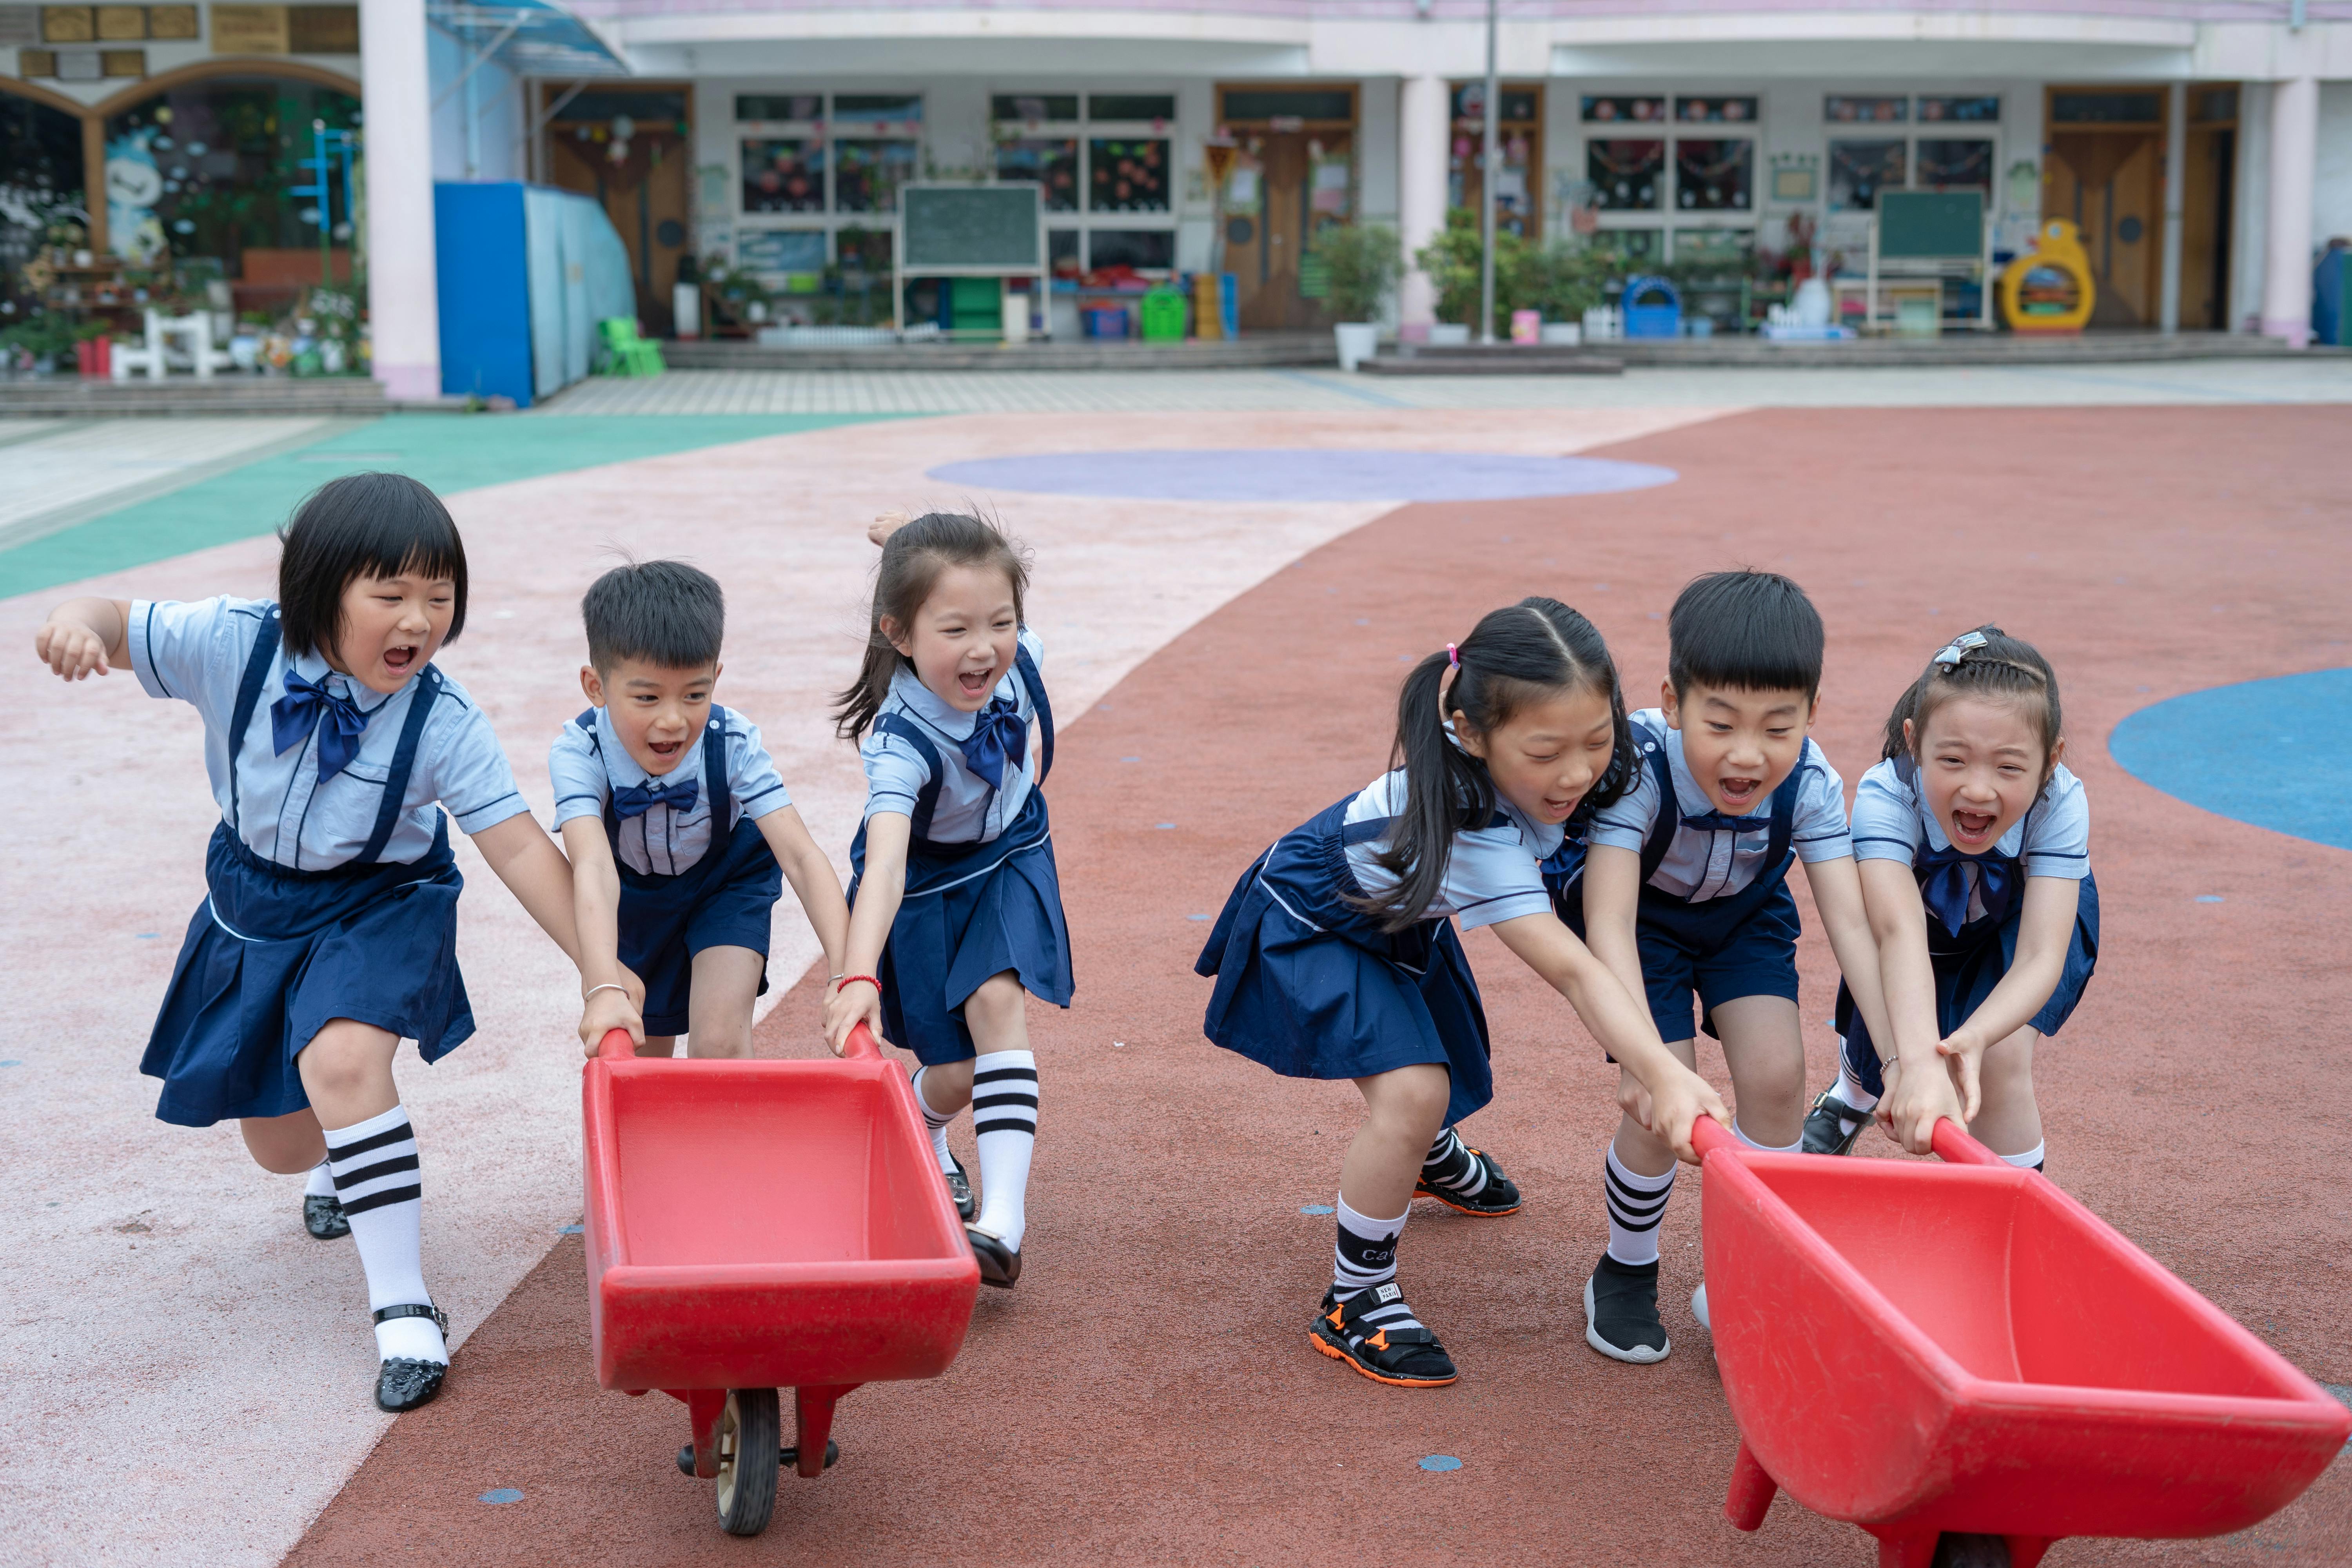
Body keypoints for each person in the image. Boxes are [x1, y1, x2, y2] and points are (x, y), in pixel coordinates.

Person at [31, 472, 595, 1413]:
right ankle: (342, 1151)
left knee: (341, 1058)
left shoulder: (442, 719)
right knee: (284, 1150)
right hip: (256, 904)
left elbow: (522, 849)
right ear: (318, 589)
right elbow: (111, 614)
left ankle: (404, 1308)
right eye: (390, 594)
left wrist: (606, 971)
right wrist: (75, 622)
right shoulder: (234, 641)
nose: (418, 618)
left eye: (439, 597)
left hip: (382, 899)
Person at [1196, 597, 1729, 1390]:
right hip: (1318, 919)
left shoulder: (1577, 757)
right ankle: (1356, 1296)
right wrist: (1662, 1069)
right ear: (1471, 732)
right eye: (1547, 751)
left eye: (1597, 738)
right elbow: (1577, 968)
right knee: (1415, 1087)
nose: (1579, 772)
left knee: (1453, 1061)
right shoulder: (1476, 831)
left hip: (1403, 919)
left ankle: (1421, 1155)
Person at [1542, 570, 1892, 1365]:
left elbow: (1851, 921)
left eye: (1778, 726)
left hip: (1744, 921)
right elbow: (1609, 919)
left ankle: (1751, 1271)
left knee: (1775, 1078)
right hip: (1644, 929)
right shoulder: (1634, 768)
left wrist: (1900, 1054)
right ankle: (1626, 1267)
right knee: (1662, 1103)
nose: (1747, 753)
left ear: (1811, 715)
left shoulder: (1808, 780)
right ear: (1672, 703)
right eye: (1721, 722)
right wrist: (1640, 1057)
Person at [825, 512, 1070, 1289]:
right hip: (926, 886)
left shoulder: (1020, 658)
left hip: (1008, 858)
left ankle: (1000, 1224)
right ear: (899, 634)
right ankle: (923, 1126)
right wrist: (857, 973)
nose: (984, 647)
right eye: (956, 628)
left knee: (1000, 1000)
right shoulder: (900, 739)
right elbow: (888, 863)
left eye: (1001, 622)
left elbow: (981, 595)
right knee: (953, 1072)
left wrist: (913, 535)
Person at [1803, 626, 2096, 1170]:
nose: (1979, 789)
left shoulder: (2060, 803)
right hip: (1915, 922)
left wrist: (1976, 1039)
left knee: (1999, 1059)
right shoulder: (1888, 796)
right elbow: (1896, 933)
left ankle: (2007, 1233)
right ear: (1914, 742)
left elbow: (2041, 957)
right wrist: (1914, 1063)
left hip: (2023, 916)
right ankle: (1853, 1090)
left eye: (2009, 767)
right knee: (1890, 1045)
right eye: (1954, 761)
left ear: (2050, 760)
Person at [557, 560, 851, 1060]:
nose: (673, 719)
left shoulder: (731, 741)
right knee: (637, 1051)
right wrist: (601, 982)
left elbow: (800, 855)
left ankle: (732, 1138)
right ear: (596, 686)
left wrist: (850, 972)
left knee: (718, 1042)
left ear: (716, 677)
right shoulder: (579, 751)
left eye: (695, 694)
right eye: (647, 697)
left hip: (725, 882)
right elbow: (591, 863)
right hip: (630, 894)